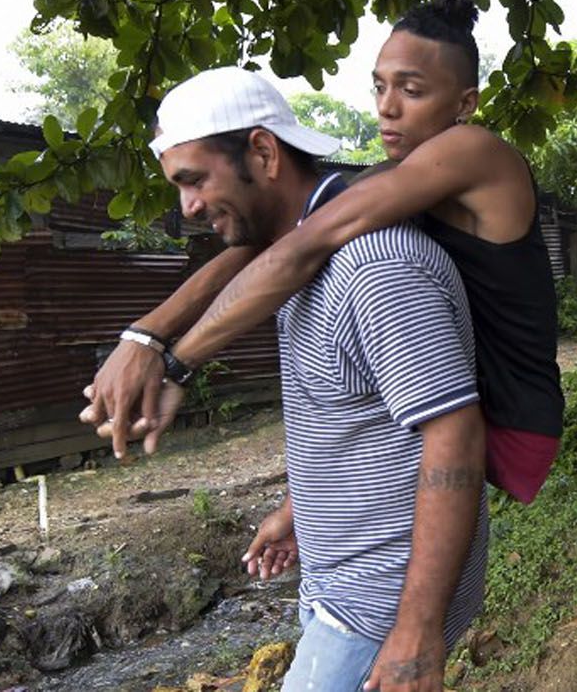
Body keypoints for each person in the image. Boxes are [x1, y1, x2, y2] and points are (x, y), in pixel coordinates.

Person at [82, 0, 563, 503]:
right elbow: (269, 244)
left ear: (465, 103)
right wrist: (143, 337)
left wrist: (177, 364)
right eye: (379, 86)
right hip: (480, 408)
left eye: (412, 89)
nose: (386, 107)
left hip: (515, 424)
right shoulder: (401, 176)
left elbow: (302, 245)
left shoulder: (475, 151)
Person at [148, 66, 488, 691]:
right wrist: (301, 512)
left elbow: (456, 438)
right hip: (343, 585)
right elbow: (362, 422)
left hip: (379, 601)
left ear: (262, 151)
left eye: (193, 180)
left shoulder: (373, 266)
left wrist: (417, 629)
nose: (188, 207)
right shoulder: (302, 264)